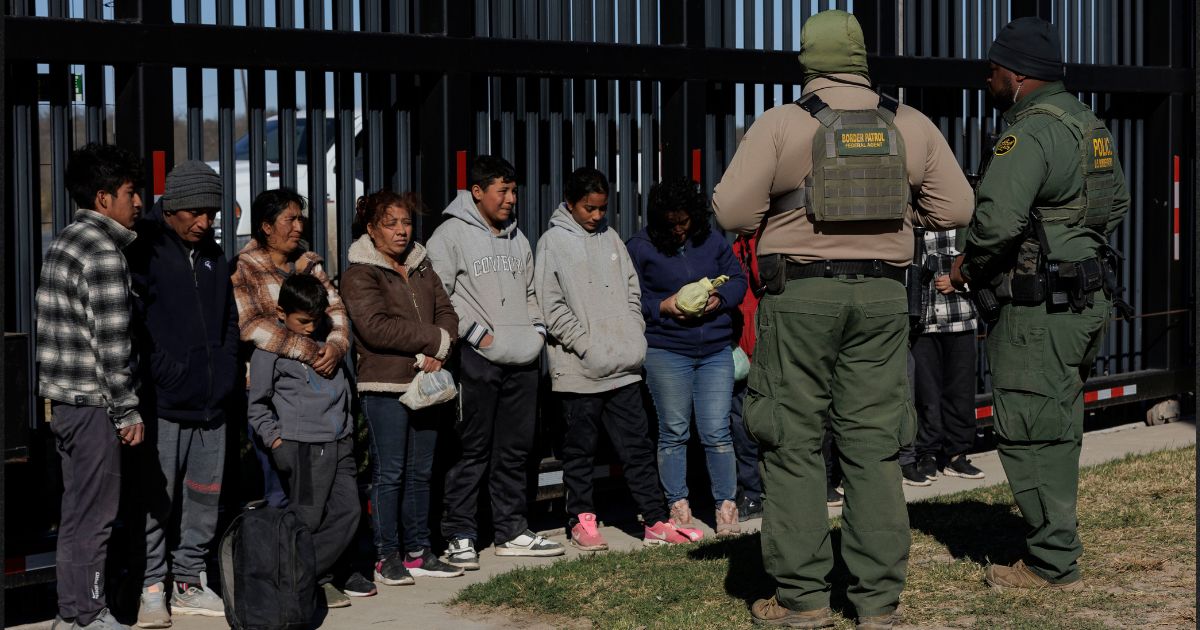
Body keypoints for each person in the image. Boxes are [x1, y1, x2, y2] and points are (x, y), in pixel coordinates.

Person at [713, 10, 973, 629]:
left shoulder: (782, 124)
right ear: (862, 60)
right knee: (875, 445)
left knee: (794, 441)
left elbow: (729, 211)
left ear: (806, 61)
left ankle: (803, 601)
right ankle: (878, 601)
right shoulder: (909, 123)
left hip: (800, 297)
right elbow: (957, 206)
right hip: (884, 299)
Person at [949, 16, 1129, 592]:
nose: (988, 76)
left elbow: (996, 220)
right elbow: (1116, 204)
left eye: (994, 68)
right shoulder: (1088, 124)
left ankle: (1052, 560)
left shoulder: (1027, 132)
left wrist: (967, 267)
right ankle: (1057, 547)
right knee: (1060, 423)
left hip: (1039, 310)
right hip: (1084, 300)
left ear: (1018, 75)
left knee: (1029, 427)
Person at [535, 167, 703, 550]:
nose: (596, 216)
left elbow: (632, 289)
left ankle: (655, 520)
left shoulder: (611, 238)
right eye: (589, 208)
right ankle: (581, 519)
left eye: (602, 208)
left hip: (624, 365)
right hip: (580, 369)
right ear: (570, 203)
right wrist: (585, 344)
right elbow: (550, 304)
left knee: (638, 447)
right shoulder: (552, 243)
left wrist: (632, 335)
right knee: (580, 449)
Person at [231, 188, 374, 602]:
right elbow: (254, 326)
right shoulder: (247, 269)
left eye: (300, 218)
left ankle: (311, 572)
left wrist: (338, 346)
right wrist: (314, 351)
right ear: (265, 226)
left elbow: (337, 311)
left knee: (343, 507)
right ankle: (296, 578)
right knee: (298, 506)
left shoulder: (310, 264)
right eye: (290, 219)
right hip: (290, 420)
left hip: (331, 420)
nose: (299, 226)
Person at [426, 155, 565, 569]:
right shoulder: (449, 235)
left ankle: (511, 530)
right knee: (472, 450)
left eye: (513, 190)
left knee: (515, 450)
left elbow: (531, 293)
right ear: (477, 192)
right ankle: (460, 535)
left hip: (522, 359)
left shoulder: (519, 239)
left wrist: (536, 331)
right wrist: (477, 335)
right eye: (502, 191)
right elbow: (440, 296)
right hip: (477, 360)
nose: (510, 199)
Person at [37, 143, 145, 630]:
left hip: (64, 404)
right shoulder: (103, 252)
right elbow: (112, 344)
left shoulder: (64, 240)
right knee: (97, 517)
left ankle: (71, 612)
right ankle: (90, 614)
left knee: (75, 515)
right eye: (129, 192)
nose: (139, 201)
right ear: (103, 199)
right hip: (95, 407)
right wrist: (127, 412)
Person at [126, 161, 237, 626]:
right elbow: (137, 327)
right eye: (194, 212)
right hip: (166, 402)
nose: (204, 222)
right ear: (171, 207)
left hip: (213, 401)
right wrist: (167, 374)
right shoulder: (144, 250)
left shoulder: (211, 253)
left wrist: (227, 370)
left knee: (205, 494)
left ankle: (189, 580)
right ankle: (152, 586)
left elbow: (228, 319)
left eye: (210, 213)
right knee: (159, 496)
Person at [340, 191, 465, 585]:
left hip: (426, 382)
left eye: (406, 222)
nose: (401, 230)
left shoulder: (422, 264)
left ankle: (418, 551)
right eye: (391, 223)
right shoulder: (360, 272)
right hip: (384, 384)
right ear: (372, 229)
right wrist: (433, 341)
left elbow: (447, 311)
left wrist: (440, 349)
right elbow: (375, 327)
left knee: (421, 472)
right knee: (390, 472)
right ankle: (385, 554)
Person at [626, 177, 747, 538]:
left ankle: (726, 507)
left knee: (718, 432)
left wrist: (720, 300)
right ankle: (678, 506)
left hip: (714, 351)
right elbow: (631, 296)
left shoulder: (710, 241)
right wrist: (660, 306)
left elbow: (737, 280)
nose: (679, 230)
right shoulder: (640, 247)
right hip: (666, 351)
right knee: (674, 432)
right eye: (671, 223)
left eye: (684, 222)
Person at [246, 274, 361, 610]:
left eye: (316, 320)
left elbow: (345, 389)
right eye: (303, 321)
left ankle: (298, 573)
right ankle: (304, 581)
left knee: (349, 511)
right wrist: (277, 440)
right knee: (308, 519)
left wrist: (348, 427)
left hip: (339, 442)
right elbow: (257, 405)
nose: (310, 329)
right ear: (282, 312)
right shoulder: (271, 349)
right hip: (303, 448)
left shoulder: (332, 343)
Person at [899, 228, 984, 488]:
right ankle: (927, 454)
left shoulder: (964, 222)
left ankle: (957, 455)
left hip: (961, 318)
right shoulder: (913, 221)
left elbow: (982, 260)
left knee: (960, 392)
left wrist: (960, 281)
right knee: (926, 395)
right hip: (923, 324)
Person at [729, 233, 764, 521]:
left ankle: (756, 493)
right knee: (742, 428)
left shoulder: (761, 242)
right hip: (743, 352)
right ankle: (751, 494)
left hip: (765, 350)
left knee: (751, 428)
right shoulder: (734, 247)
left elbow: (760, 276)